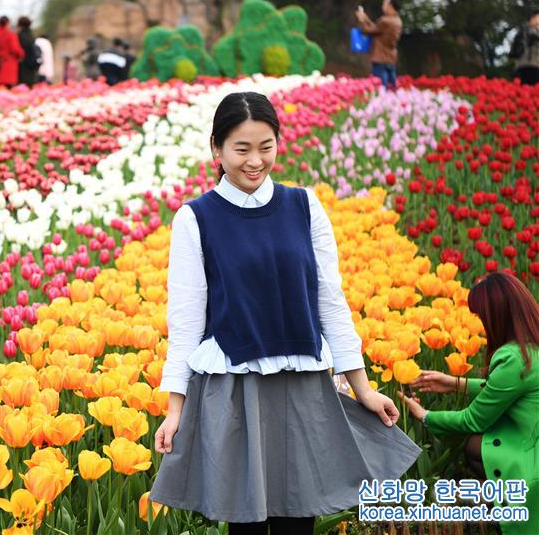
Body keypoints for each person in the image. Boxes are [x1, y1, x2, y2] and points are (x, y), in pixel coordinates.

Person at [148, 92, 421, 535]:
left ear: (278, 142)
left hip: (304, 386)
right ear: (216, 148)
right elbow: (186, 323)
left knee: (300, 518)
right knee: (247, 524)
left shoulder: (304, 206)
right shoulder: (196, 218)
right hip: (236, 388)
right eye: (241, 149)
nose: (255, 161)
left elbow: (330, 301)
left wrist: (363, 388)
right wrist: (175, 409)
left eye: (266, 146)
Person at [401, 273, 539, 535]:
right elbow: (505, 389)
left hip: (533, 458)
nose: (479, 323)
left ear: (497, 315)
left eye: (480, 316)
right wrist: (455, 383)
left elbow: (474, 419)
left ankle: (504, 511)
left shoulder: (514, 359)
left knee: (477, 443)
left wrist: (425, 415)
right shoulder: (531, 345)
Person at [355, 0, 402, 90]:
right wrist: (366, 19)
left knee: (381, 89)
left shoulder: (386, 20)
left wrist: (361, 20)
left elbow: (368, 30)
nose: (383, 6)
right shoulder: (397, 20)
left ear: (390, 6)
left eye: (384, 4)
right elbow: (378, 29)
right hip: (390, 58)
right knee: (391, 88)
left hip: (381, 59)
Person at [0, 16, 24, 89]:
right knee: (7, 94)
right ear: (7, 24)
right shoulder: (10, 35)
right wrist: (21, 54)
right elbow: (15, 49)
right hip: (8, 68)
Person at [509, 9, 539, 85]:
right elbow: (533, 35)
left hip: (528, 64)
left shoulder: (524, 29)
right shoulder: (528, 29)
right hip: (529, 64)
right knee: (531, 88)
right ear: (532, 18)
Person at [16, 16, 40, 86]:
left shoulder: (19, 36)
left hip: (23, 65)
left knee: (22, 86)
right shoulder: (32, 35)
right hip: (32, 64)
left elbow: (17, 50)